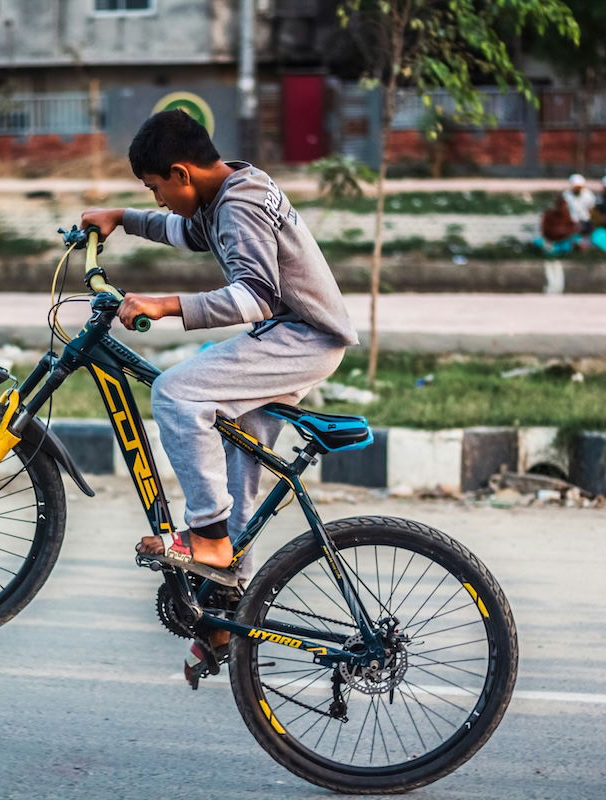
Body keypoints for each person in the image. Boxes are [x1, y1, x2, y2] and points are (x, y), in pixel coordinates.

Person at [80, 110, 357, 681]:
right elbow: (184, 231)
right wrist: (122, 220)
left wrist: (164, 305)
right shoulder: (225, 191)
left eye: (156, 189)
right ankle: (224, 610)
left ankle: (208, 540)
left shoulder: (240, 203)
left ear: (182, 173)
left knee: (178, 393)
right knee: (240, 463)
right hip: (291, 335)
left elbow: (254, 296)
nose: (158, 201)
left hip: (302, 338)